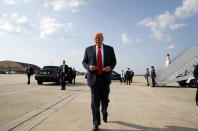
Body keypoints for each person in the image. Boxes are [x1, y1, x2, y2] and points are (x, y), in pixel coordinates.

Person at [82, 32, 116, 131]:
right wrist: (88, 67)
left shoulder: (110, 49)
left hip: (105, 79)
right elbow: (84, 62)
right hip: (93, 79)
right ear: (93, 39)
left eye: (99, 38)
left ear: (103, 39)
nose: (97, 39)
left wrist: (110, 67)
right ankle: (96, 123)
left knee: (105, 100)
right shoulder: (88, 49)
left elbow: (114, 61)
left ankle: (104, 111)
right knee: (94, 103)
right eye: (95, 38)